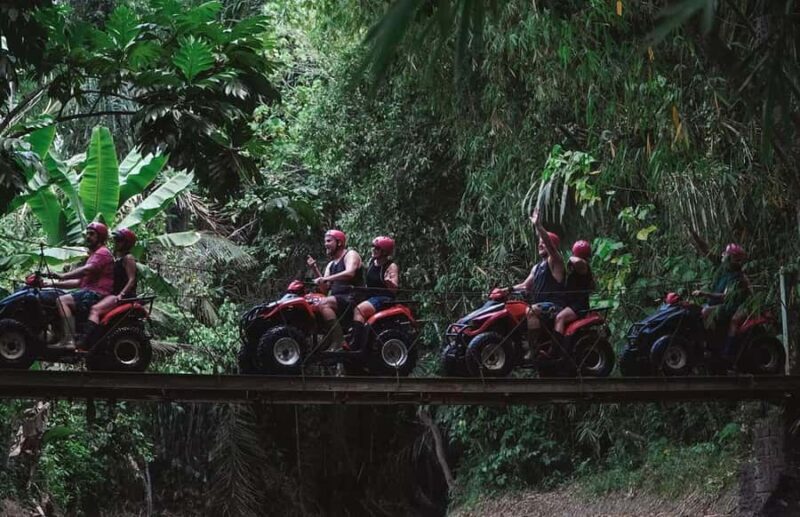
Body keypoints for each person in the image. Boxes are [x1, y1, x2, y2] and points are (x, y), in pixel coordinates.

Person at [502, 208, 566, 346]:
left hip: (555, 306)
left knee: (532, 310)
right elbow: (525, 285)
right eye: (539, 241)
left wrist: (538, 226)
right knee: (512, 311)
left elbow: (550, 246)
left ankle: (533, 348)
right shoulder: (537, 267)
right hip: (541, 305)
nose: (540, 243)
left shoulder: (555, 261)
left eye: (544, 242)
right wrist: (506, 290)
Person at [49, 222, 114, 350]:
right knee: (53, 295)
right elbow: (79, 282)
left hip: (97, 293)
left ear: (100, 237)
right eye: (87, 234)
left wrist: (62, 276)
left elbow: (86, 270)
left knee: (62, 300)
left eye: (92, 234)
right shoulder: (93, 255)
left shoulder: (103, 253)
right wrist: (52, 283)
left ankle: (68, 340)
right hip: (89, 291)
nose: (88, 237)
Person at [690, 239, 750, 365]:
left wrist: (704, 293)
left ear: (732, 258)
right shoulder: (724, 272)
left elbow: (726, 296)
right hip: (717, 304)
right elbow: (709, 253)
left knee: (706, 312)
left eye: (726, 253)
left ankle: (716, 349)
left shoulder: (737, 277)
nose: (722, 254)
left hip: (731, 306)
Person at [79, 228, 138, 351]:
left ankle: (84, 342)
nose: (117, 243)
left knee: (95, 310)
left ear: (127, 243)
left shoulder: (128, 258)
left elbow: (131, 279)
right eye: (116, 240)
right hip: (111, 293)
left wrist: (121, 294)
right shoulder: (115, 258)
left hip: (121, 295)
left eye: (120, 240)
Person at [306, 229, 363, 351]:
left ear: (339, 243)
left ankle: (339, 341)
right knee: (314, 303)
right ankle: (325, 340)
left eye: (329, 241)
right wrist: (315, 269)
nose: (325, 244)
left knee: (324, 302)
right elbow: (325, 289)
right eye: (325, 241)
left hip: (353, 297)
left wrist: (325, 278)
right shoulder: (331, 264)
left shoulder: (350, 255)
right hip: (339, 300)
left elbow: (350, 273)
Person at [350, 236, 399, 352]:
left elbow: (394, 289)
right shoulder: (372, 262)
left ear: (384, 251)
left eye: (377, 248)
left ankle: (356, 344)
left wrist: (389, 282)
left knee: (359, 310)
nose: (373, 249)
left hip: (384, 298)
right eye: (373, 247)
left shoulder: (391, 266)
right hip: (371, 296)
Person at [555, 240, 595, 338]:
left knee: (560, 318)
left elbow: (576, 261)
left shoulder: (583, 266)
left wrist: (570, 258)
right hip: (570, 304)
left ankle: (557, 349)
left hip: (579, 306)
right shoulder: (576, 270)